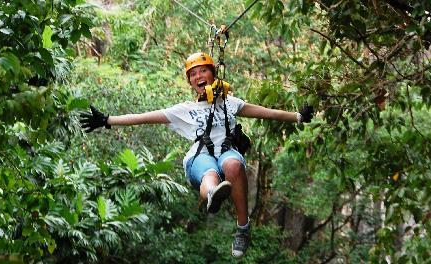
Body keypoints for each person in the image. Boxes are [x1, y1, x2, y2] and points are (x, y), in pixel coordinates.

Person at [80, 52, 314, 259]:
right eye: (193, 74)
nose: (198, 76)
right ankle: (213, 194)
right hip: (199, 156)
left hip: (226, 152)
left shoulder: (230, 103)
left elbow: (264, 112)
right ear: (190, 82)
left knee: (233, 163)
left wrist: (297, 116)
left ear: (213, 75)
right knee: (209, 173)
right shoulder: (185, 110)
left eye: (203, 71)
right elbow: (143, 116)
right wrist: (107, 120)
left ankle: (242, 228)